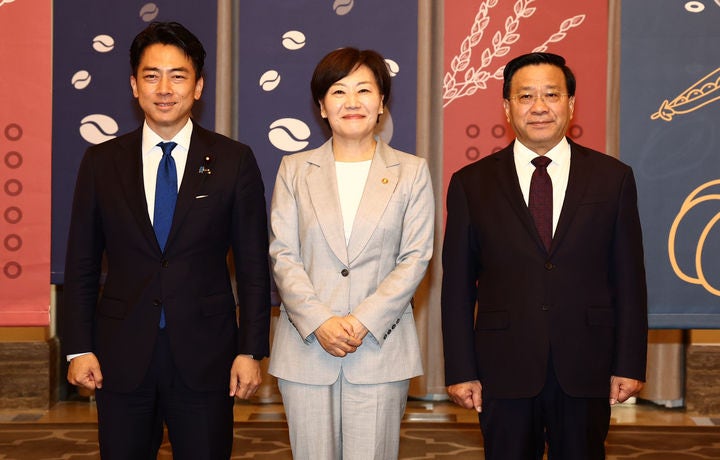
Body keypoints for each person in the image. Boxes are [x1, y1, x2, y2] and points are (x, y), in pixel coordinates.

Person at [63, 21, 271, 459]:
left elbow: (254, 267)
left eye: (178, 76)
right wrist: (78, 347)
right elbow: (81, 264)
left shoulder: (233, 160)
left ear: (198, 86)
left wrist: (251, 350)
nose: (164, 89)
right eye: (151, 76)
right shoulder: (101, 162)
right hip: (121, 355)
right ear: (134, 85)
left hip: (207, 356)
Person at [441, 52, 648, 460]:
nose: (539, 107)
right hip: (504, 367)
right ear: (507, 107)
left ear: (571, 103)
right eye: (526, 96)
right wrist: (461, 369)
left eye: (551, 95)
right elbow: (457, 288)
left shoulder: (613, 178)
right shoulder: (471, 184)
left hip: (586, 365)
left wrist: (629, 363)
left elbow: (629, 279)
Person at [268, 47, 434, 459]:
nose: (352, 101)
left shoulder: (412, 172)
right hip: (307, 348)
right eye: (339, 91)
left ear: (381, 102)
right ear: (322, 106)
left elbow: (415, 257)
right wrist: (320, 321)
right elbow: (283, 255)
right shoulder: (294, 170)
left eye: (364, 90)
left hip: (379, 349)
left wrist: (362, 320)